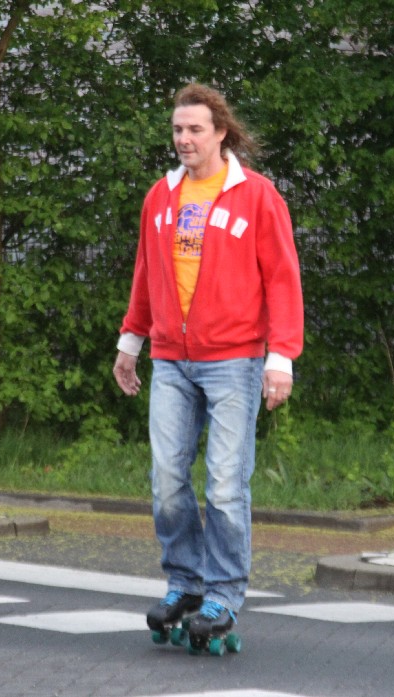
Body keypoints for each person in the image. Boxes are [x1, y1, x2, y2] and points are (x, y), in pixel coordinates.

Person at [113, 83, 304, 644]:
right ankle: (185, 584)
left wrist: (281, 358)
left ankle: (222, 595)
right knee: (167, 480)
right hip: (172, 360)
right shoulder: (161, 196)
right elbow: (146, 273)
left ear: (221, 132)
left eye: (195, 129)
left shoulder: (257, 196)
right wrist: (131, 342)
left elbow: (283, 279)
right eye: (178, 129)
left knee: (224, 484)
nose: (184, 139)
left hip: (235, 360)